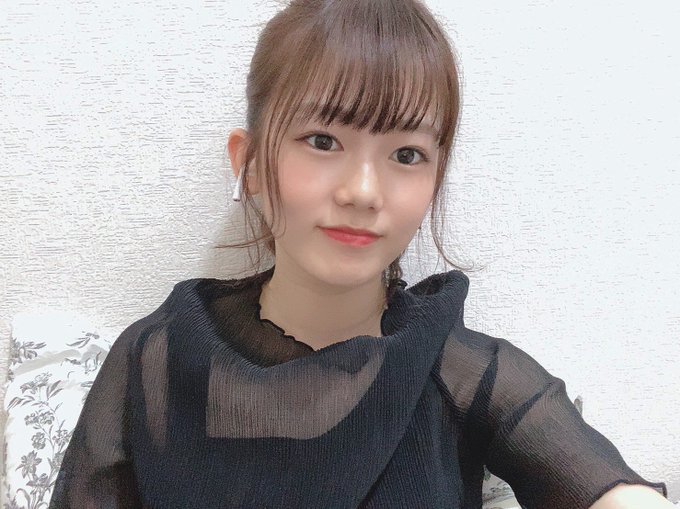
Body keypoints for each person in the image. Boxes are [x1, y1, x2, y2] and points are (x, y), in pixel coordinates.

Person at [49, 0, 673, 507]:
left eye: (407, 155)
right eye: (323, 141)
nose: (364, 192)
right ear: (249, 163)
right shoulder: (154, 361)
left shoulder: (463, 372)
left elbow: (608, 491)